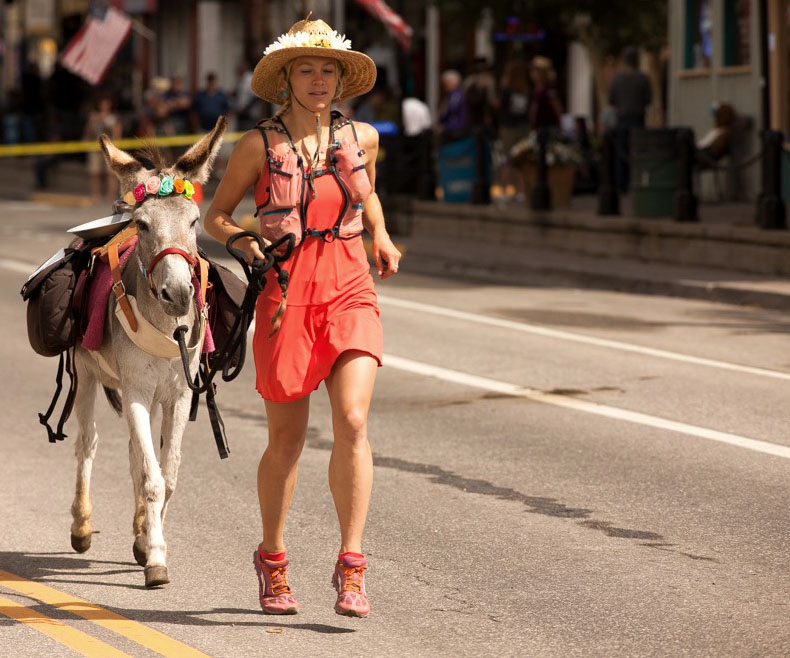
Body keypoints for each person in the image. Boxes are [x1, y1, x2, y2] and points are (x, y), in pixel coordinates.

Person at [204, 16, 401, 618]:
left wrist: (381, 235)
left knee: (354, 419)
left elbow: (365, 194)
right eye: (307, 70)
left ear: (342, 79)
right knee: (286, 442)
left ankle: (351, 566)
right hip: (286, 297)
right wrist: (241, 244)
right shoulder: (256, 146)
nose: (319, 80)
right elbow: (216, 217)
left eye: (328, 71)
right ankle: (273, 558)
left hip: (349, 287)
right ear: (286, 79)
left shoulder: (359, 137)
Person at [608, 46, 652, 192]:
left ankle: (621, 185)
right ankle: (637, 182)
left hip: (622, 119)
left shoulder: (617, 78)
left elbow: (611, 99)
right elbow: (648, 99)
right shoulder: (642, 78)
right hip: (637, 119)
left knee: (621, 154)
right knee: (637, 153)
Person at [497, 59, 530, 201]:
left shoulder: (506, 90)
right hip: (523, 126)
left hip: (509, 127)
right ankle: (521, 191)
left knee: (507, 159)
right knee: (521, 159)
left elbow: (500, 107)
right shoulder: (526, 90)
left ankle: (504, 190)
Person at [83, 92, 122, 201]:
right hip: (95, 146)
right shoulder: (93, 116)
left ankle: (111, 195)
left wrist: (115, 147)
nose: (104, 106)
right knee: (95, 172)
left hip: (109, 148)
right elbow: (88, 131)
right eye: (102, 103)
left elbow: (117, 132)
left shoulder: (113, 117)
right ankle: (95, 195)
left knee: (111, 173)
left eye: (106, 103)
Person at [527, 56, 562, 131]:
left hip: (549, 127)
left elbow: (557, 107)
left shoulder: (549, 89)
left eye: (534, 71)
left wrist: (561, 124)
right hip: (538, 126)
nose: (532, 73)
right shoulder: (535, 88)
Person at [438, 69, 468, 141]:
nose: (444, 86)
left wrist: (444, 127)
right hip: (451, 131)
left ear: (455, 82)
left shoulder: (457, 97)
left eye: (446, 83)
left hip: (455, 133)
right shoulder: (449, 96)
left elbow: (459, 119)